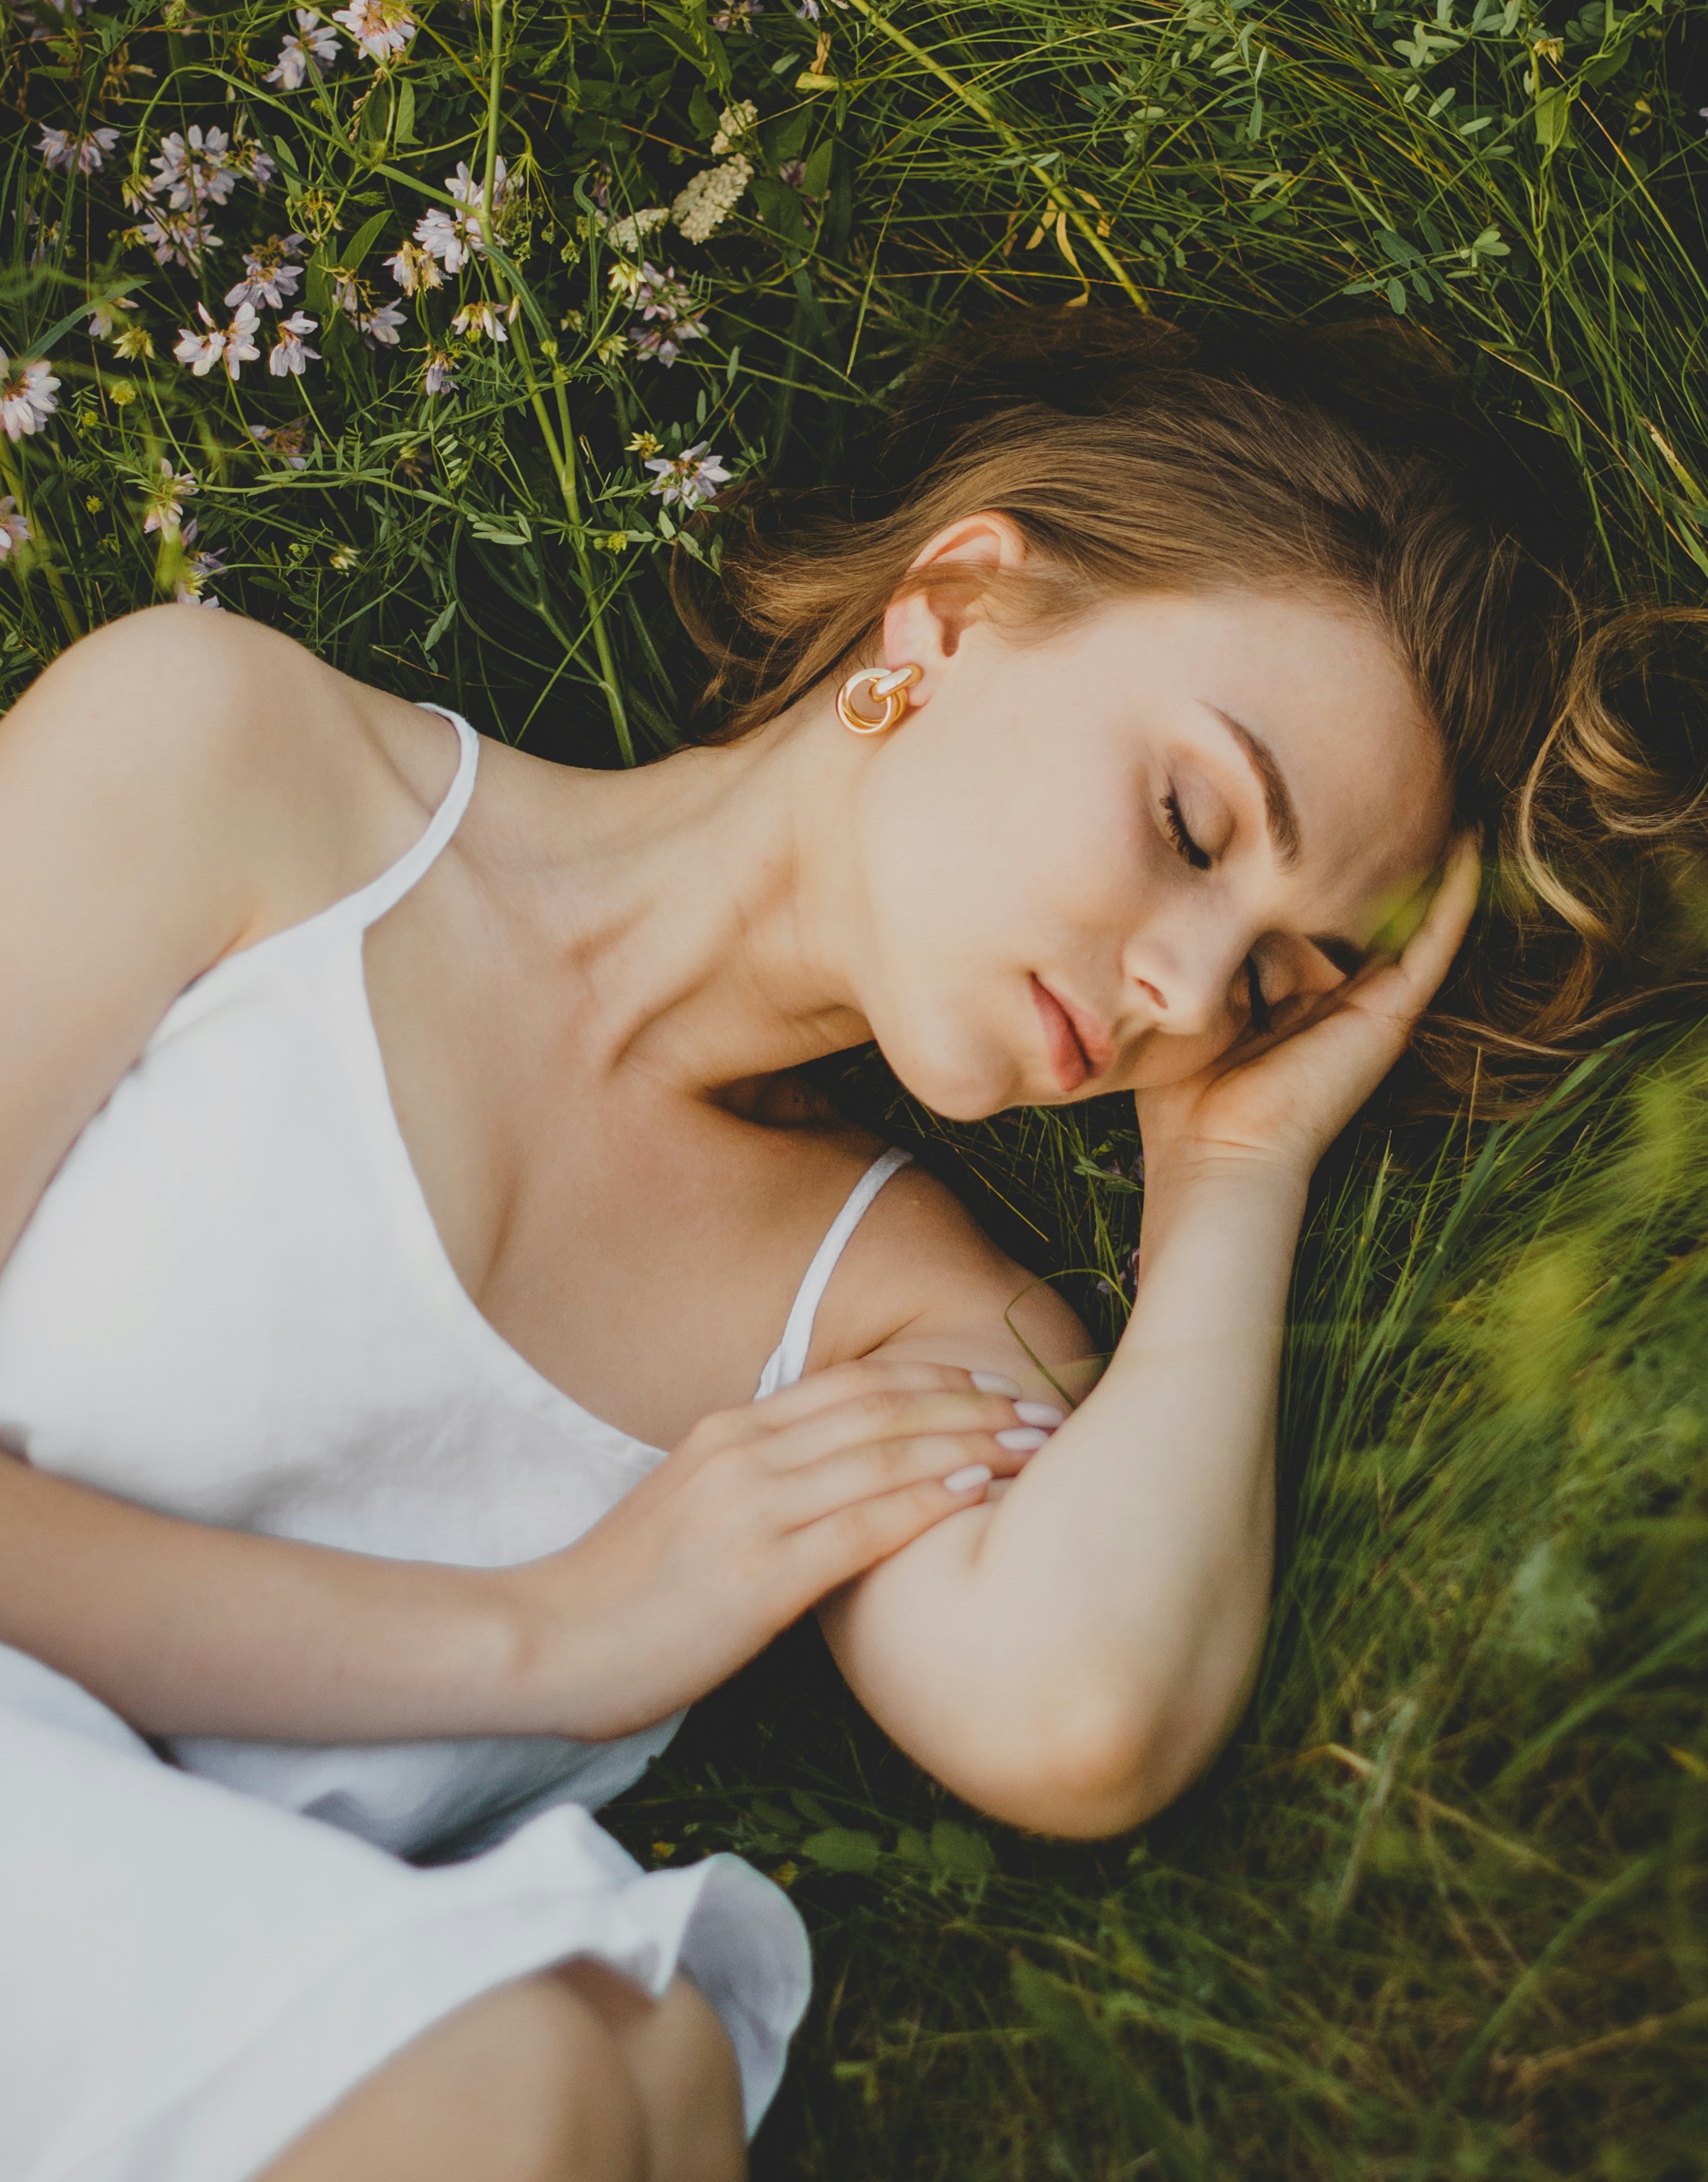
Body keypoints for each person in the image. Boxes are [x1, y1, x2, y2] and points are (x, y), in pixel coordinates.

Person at [0, 311, 1700, 2182]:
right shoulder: (233, 763)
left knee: (591, 2069)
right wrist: (548, 1634)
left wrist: (1232, 1179)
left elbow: (1082, 1711)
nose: (1186, 986)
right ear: (954, 606)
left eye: (1281, 978)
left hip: (185, 2065)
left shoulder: (898, 1320)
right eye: (1191, 820)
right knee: (572, 2070)